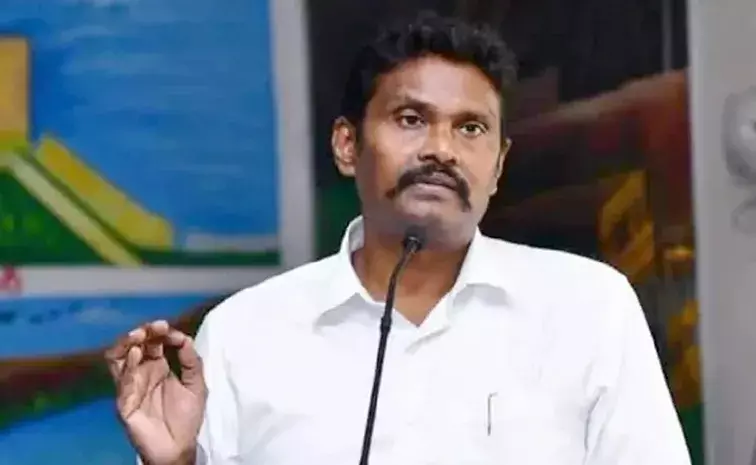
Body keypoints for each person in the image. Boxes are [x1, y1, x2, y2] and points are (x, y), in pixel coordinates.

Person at [105, 11, 692, 465]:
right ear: (347, 146)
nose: (441, 149)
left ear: (498, 165)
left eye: (471, 128)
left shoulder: (588, 307)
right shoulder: (245, 333)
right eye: (411, 120)